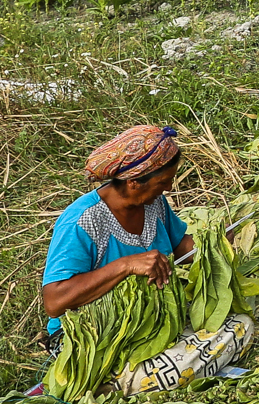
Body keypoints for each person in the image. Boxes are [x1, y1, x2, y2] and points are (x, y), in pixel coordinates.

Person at [41, 124, 197, 356]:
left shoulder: (153, 203)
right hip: (92, 334)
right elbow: (54, 302)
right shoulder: (82, 221)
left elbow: (178, 246)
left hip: (145, 319)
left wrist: (212, 244)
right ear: (134, 182)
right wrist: (126, 266)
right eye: (163, 182)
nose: (168, 188)